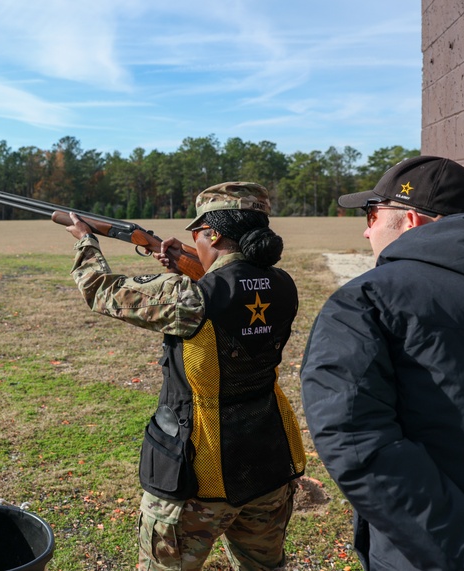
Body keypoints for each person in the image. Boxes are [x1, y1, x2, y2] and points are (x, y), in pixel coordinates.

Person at [299, 155, 464, 569]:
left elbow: (357, 447)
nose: (365, 228)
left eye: (373, 214)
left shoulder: (367, 301)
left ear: (411, 220)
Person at [61, 182, 306, 571]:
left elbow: (99, 290)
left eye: (198, 233)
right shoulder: (284, 285)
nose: (195, 239)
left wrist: (85, 240)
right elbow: (235, 290)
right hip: (268, 463)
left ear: (214, 233)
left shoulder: (189, 298)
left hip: (198, 475)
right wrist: (190, 263)